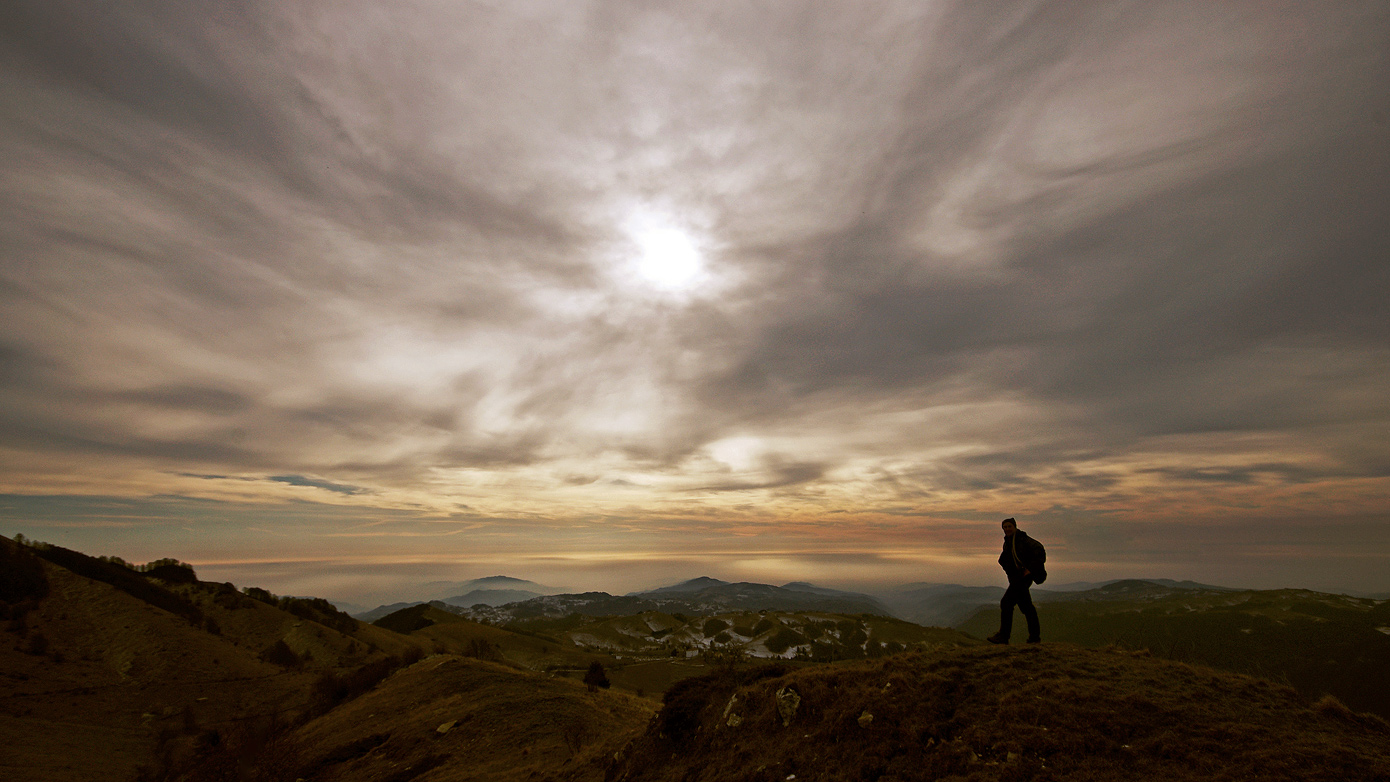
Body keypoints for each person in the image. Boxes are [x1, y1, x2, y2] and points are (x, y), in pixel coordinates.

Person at [988, 517, 1043, 644]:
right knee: (1027, 607)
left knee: (1006, 603)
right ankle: (1034, 638)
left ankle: (1004, 636)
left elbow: (1040, 551)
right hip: (1018, 578)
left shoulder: (1023, 540)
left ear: (1015, 527)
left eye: (1009, 527)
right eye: (1005, 527)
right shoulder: (1009, 541)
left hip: (1022, 579)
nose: (1007, 529)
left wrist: (1030, 569)